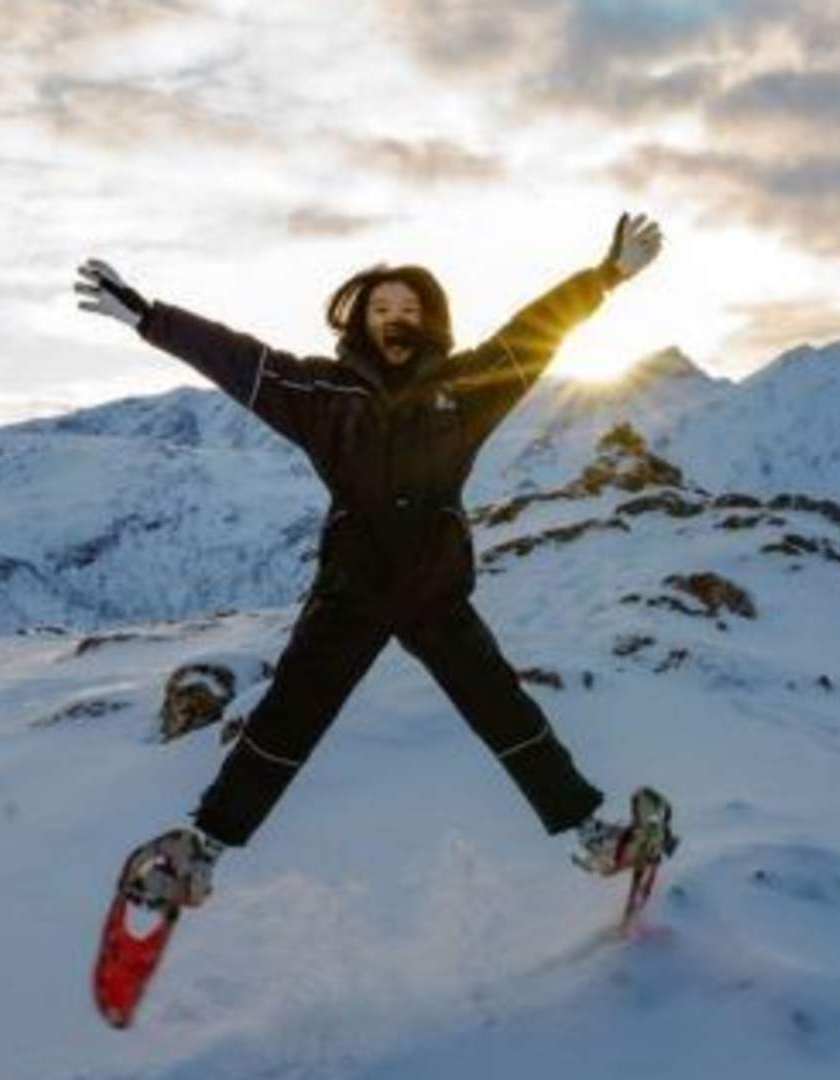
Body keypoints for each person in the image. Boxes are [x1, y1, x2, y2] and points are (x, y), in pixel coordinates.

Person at [74, 213, 667, 909]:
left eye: (409, 309)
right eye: (381, 308)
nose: (395, 319)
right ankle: (200, 854)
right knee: (286, 721)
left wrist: (606, 276)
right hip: (351, 590)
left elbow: (535, 331)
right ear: (359, 321)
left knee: (504, 711)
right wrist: (148, 318)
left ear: (432, 320)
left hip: (433, 591)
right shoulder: (319, 393)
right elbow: (236, 359)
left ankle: (595, 837)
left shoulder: (470, 385)